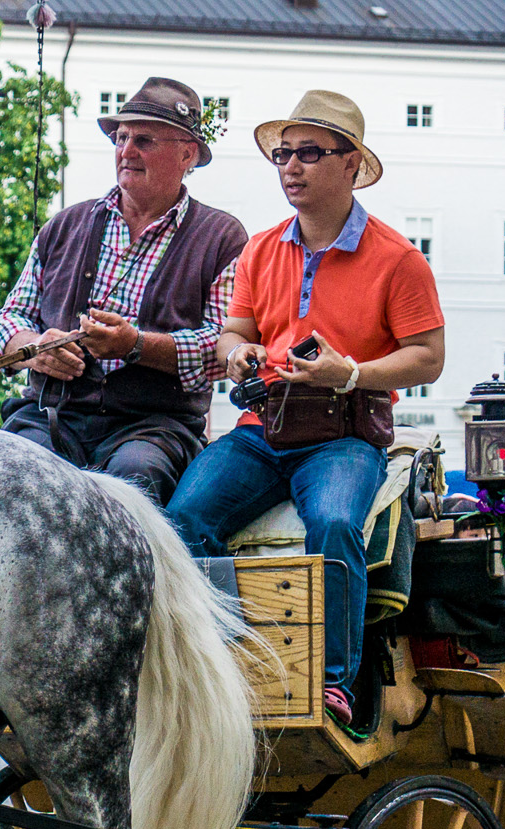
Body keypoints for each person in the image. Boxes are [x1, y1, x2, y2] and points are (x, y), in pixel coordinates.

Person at [165, 90, 445, 731]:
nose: (291, 166)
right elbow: (234, 333)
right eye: (283, 154)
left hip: (344, 433)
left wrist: (352, 374)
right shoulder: (261, 249)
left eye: (309, 153)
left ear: (351, 164)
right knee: (181, 520)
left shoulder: (397, 258)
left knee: (336, 524)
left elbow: (428, 358)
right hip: (262, 427)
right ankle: (221, 665)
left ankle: (333, 682)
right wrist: (237, 355)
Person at [0, 76, 247, 506]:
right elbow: (9, 318)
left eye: (144, 140)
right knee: (12, 475)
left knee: (134, 481)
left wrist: (136, 345)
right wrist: (35, 348)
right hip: (52, 415)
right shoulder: (66, 225)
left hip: (153, 427)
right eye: (121, 138)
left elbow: (223, 348)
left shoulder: (221, 238)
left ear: (187, 154)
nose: (126, 151)